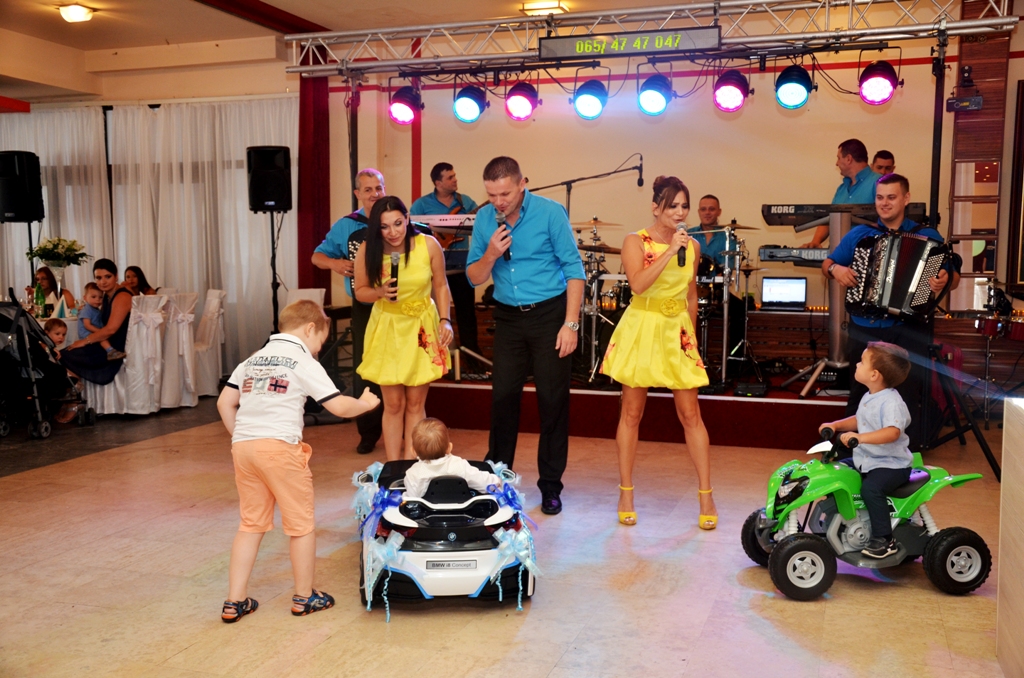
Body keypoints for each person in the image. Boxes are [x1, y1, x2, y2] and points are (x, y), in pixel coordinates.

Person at [216, 299, 381, 623]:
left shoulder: (253, 359)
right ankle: (304, 597)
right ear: (310, 328)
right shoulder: (302, 360)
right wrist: (365, 404)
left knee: (250, 524)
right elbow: (339, 407)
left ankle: (234, 601)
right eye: (321, 340)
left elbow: (225, 402)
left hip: (245, 449)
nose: (319, 347)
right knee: (301, 526)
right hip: (280, 450)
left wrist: (244, 436)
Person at [466, 156, 585, 515]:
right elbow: (474, 277)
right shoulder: (484, 219)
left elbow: (574, 269)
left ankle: (550, 487)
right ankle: (497, 482)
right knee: (503, 399)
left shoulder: (550, 213)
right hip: (508, 318)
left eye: (504, 193)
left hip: (550, 315)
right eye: (491, 195)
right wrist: (490, 254)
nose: (498, 202)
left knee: (552, 401)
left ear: (522, 184)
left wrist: (571, 324)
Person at [600, 176, 717, 530]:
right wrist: (668, 252)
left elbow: (691, 294)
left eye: (684, 206)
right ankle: (626, 492)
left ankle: (706, 494)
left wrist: (691, 337)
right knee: (632, 413)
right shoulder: (636, 241)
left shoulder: (692, 246)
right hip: (643, 327)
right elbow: (638, 284)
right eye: (672, 206)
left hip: (677, 331)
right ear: (655, 208)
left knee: (691, 414)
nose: (680, 213)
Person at [821, 173, 959, 450]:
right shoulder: (860, 234)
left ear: (906, 199)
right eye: (880, 197)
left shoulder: (928, 236)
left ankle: (904, 452)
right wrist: (837, 269)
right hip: (865, 325)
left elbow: (953, 279)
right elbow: (827, 264)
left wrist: (943, 280)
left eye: (891, 197)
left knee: (907, 392)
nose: (884, 203)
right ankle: (852, 448)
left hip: (908, 327)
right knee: (860, 390)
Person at [354, 196, 453, 461]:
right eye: (385, 226)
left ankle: (411, 465)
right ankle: (393, 467)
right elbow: (360, 291)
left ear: (407, 219)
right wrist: (379, 292)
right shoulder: (368, 249)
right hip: (388, 326)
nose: (393, 232)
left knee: (416, 403)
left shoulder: (428, 244)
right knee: (394, 404)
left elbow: (441, 285)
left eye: (398, 223)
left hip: (421, 327)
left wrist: (445, 320)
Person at [312, 168, 387, 455]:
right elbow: (317, 256)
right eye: (368, 189)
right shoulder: (347, 225)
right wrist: (334, 264)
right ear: (357, 194)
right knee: (364, 368)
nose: (374, 194)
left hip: (397, 305)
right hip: (364, 305)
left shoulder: (395, 219)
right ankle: (368, 431)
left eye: (378, 188)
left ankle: (402, 428)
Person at [818, 342, 913, 558]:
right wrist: (836, 425)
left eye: (862, 362)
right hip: (868, 459)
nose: (857, 365)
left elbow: (892, 432)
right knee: (837, 472)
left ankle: (885, 540)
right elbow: (860, 419)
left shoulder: (891, 402)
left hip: (891, 464)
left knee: (871, 489)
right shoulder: (871, 395)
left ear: (874, 375)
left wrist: (860, 438)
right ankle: (842, 517)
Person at [410, 162, 482, 358]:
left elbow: (480, 223)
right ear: (438, 183)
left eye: (454, 175)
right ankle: (434, 356)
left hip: (461, 264)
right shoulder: (421, 205)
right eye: (450, 177)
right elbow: (411, 231)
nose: (455, 180)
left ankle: (472, 358)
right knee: (432, 312)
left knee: (466, 312)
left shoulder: (466, 202)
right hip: (431, 266)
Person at [687, 194, 745, 371]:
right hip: (689, 290)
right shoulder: (689, 235)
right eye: (703, 209)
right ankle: (684, 360)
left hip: (717, 291)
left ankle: (733, 363)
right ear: (698, 212)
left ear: (719, 212)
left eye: (711, 209)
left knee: (740, 309)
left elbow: (728, 267)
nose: (707, 212)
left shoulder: (727, 238)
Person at [59, 259, 132, 385]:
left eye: (107, 277)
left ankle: (74, 390)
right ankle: (75, 389)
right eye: (98, 278)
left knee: (63, 355)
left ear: (116, 276)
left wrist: (84, 341)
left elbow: (111, 329)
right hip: (104, 342)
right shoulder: (106, 296)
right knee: (61, 354)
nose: (103, 282)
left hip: (114, 348)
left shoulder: (122, 296)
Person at [807, 139, 882, 248]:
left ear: (848, 159)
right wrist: (815, 242)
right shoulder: (841, 189)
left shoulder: (880, 183)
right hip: (837, 253)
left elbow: (889, 221)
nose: (836, 163)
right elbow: (830, 218)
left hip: (866, 253)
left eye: (838, 158)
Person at [403, 418, 502, 498]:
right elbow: (483, 482)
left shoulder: (412, 474)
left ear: (413, 451)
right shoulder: (459, 465)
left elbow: (412, 500)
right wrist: (496, 480)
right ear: (449, 447)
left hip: (427, 515)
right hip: (460, 511)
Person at [78, 282, 125, 360]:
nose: (97, 299)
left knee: (103, 336)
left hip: (93, 332)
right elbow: (87, 325)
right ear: (85, 298)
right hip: (86, 333)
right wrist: (100, 332)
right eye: (93, 297)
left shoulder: (96, 309)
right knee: (102, 338)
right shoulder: (86, 309)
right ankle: (110, 351)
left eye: (100, 297)